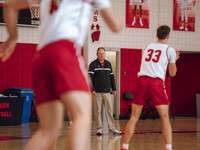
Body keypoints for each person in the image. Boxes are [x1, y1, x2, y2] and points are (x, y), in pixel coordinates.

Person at [0, 0, 122, 150]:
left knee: (48, 130)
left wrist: (12, 37)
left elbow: (9, 5)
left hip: (41, 57)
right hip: (65, 50)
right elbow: (115, 26)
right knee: (82, 116)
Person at [121, 25, 180, 150]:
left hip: (142, 81)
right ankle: (168, 147)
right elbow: (172, 73)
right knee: (164, 117)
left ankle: (125, 146)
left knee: (134, 117)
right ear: (168, 36)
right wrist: (174, 60)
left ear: (156, 35)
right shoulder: (170, 50)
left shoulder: (146, 46)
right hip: (156, 83)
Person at [89, 47, 122, 135]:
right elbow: (90, 78)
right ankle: (99, 128)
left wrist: (114, 88)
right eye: (100, 53)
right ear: (97, 54)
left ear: (105, 54)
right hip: (97, 92)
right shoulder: (93, 64)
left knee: (109, 110)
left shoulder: (108, 64)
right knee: (98, 111)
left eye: (103, 53)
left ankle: (112, 128)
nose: (102, 55)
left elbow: (112, 77)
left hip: (107, 91)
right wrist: (92, 89)